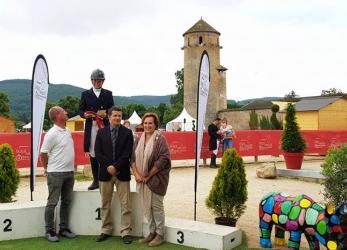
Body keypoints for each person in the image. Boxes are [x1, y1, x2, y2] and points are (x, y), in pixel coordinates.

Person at [94, 106, 134, 244]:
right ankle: (105, 230)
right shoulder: (101, 132)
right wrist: (108, 166)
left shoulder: (128, 133)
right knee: (105, 204)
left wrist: (116, 167)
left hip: (122, 173)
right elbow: (98, 152)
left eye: (119, 116)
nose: (117, 118)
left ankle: (126, 232)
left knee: (126, 205)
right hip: (105, 174)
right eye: (115, 115)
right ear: (109, 117)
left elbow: (127, 153)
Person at [131, 113, 171, 247]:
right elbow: (132, 159)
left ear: (155, 125)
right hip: (141, 180)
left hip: (156, 180)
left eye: (150, 123)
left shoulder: (160, 139)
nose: (148, 126)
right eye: (146, 123)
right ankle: (152, 232)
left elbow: (163, 160)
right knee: (146, 207)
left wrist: (148, 175)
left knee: (156, 207)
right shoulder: (138, 139)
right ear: (142, 124)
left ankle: (160, 234)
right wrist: (136, 174)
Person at [40, 106, 76, 242]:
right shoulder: (51, 134)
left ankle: (64, 228)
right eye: (63, 111)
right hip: (55, 173)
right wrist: (46, 168)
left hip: (69, 172)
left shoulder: (67, 130)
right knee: (53, 202)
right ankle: (49, 230)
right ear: (57, 116)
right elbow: (43, 153)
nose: (66, 112)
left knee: (66, 201)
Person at [79, 69, 114, 190]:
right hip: (92, 125)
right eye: (96, 81)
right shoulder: (85, 94)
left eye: (100, 81)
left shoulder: (108, 94)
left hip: (103, 125)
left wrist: (107, 114)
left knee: (106, 151)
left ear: (103, 82)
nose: (98, 83)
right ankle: (95, 180)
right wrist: (85, 115)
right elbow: (80, 111)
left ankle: (106, 177)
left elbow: (112, 109)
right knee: (93, 152)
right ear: (92, 81)